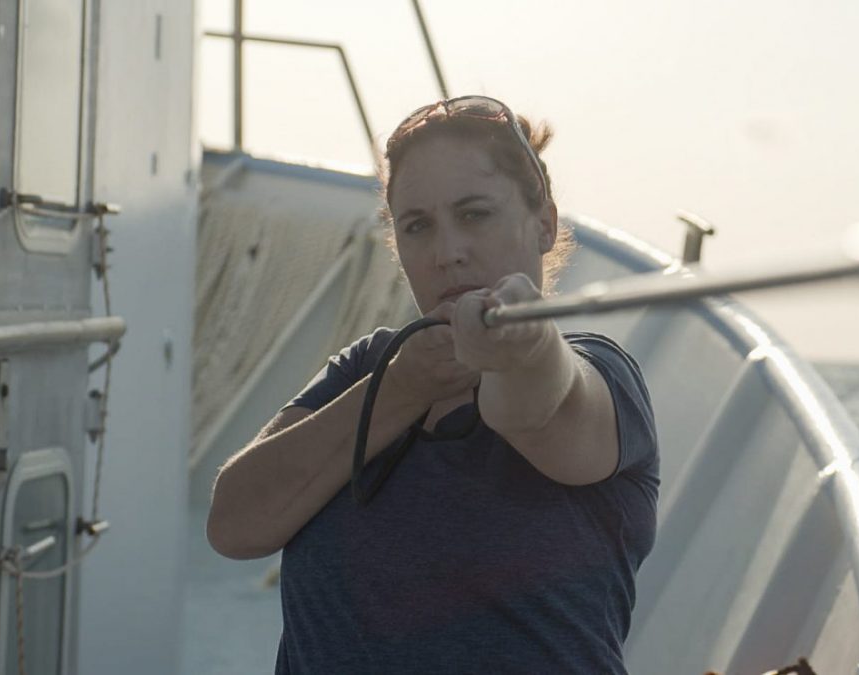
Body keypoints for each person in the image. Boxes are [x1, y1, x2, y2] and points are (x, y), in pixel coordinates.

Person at [206, 95, 659, 674]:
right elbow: (235, 524)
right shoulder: (368, 368)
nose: (447, 253)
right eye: (418, 227)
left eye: (475, 215)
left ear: (543, 225)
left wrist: (525, 344)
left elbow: (537, 407)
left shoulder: (606, 375)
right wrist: (404, 386)